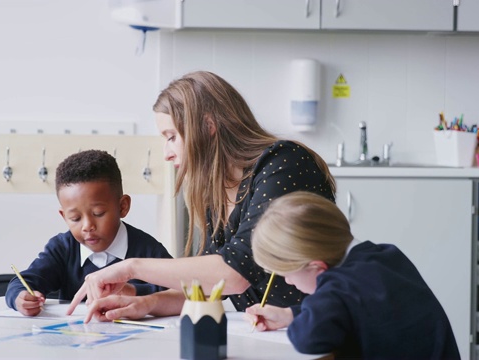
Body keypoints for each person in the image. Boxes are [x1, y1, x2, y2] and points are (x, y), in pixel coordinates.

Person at [67, 70, 336, 322]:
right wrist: (146, 303)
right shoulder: (218, 188)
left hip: (315, 326)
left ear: (208, 126)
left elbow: (234, 274)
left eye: (171, 137)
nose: (166, 153)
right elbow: (207, 288)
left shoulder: (283, 163)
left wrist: (130, 267)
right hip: (272, 332)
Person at [245, 191, 460, 359]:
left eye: (286, 275)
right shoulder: (385, 255)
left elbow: (308, 338)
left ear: (317, 267)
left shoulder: (338, 286)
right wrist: (290, 315)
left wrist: (301, 318)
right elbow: (349, 307)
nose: (288, 282)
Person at [5, 149, 173, 316]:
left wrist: (133, 291)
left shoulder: (148, 250)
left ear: (122, 207)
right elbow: (25, 281)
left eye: (98, 214)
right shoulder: (62, 248)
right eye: (75, 218)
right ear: (64, 216)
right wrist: (20, 297)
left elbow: (179, 289)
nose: (87, 226)